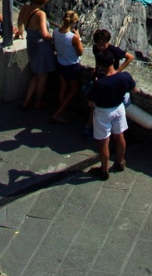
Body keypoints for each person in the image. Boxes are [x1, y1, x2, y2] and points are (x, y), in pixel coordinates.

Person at [88, 47, 135, 178]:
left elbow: (90, 102)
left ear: (100, 65)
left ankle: (104, 170)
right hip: (119, 109)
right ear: (113, 61)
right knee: (119, 136)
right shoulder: (125, 77)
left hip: (103, 112)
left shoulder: (100, 84)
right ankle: (120, 162)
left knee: (104, 142)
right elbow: (134, 89)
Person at [17, 0, 57, 108]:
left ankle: (26, 101)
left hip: (31, 42)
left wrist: (20, 32)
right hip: (41, 47)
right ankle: (39, 102)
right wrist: (56, 39)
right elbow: (45, 34)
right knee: (42, 77)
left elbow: (20, 22)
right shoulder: (40, 14)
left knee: (36, 74)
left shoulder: (25, 8)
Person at [52, 10, 85, 121]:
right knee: (73, 90)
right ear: (73, 22)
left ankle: (62, 111)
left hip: (60, 62)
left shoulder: (55, 31)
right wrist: (79, 38)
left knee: (63, 87)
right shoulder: (73, 37)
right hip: (71, 65)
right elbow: (80, 52)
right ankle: (58, 113)